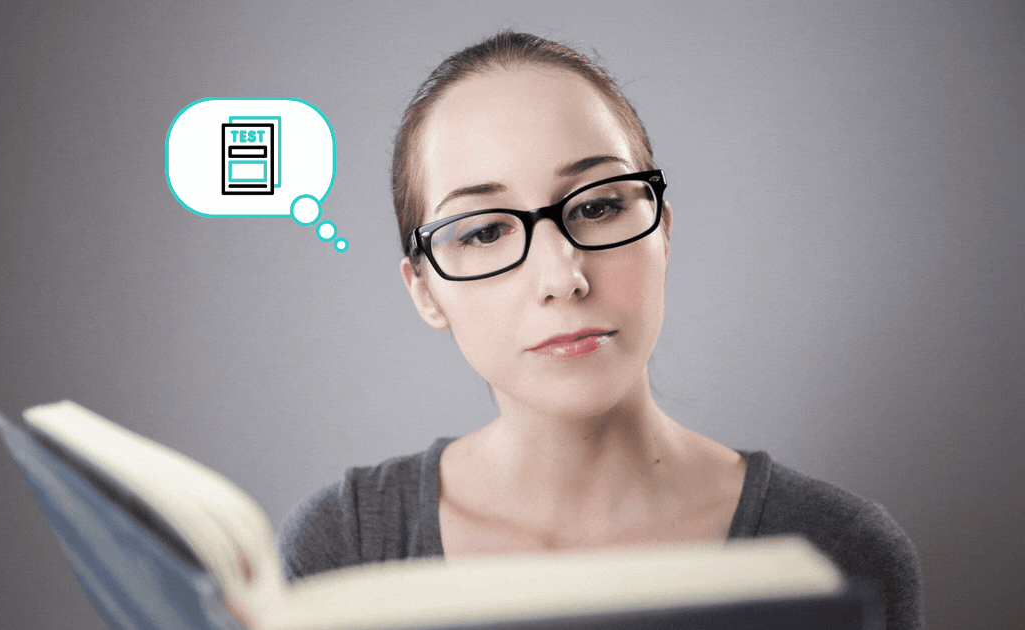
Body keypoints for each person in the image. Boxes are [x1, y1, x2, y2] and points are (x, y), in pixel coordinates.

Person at [280, 32, 923, 629]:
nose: (563, 276)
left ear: (663, 231)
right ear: (424, 289)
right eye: (484, 230)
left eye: (597, 206)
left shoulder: (842, 551)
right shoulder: (344, 544)